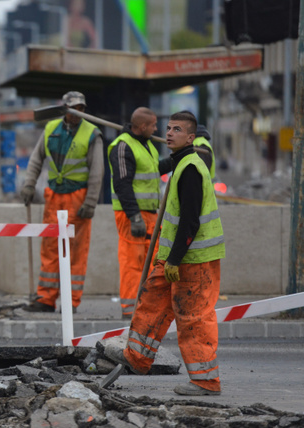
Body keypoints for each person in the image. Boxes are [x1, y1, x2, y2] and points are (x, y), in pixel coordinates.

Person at [113, 110, 225, 396]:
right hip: (175, 256)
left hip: (193, 259)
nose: (169, 133)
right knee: (152, 299)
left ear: (191, 137)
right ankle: (136, 358)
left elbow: (190, 220)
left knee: (193, 318)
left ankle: (205, 381)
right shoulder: (180, 162)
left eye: (177, 129)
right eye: (168, 128)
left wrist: (174, 259)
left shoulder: (190, 168)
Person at [20, 91, 104, 312]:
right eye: (74, 108)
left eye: (82, 108)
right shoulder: (50, 129)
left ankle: (70, 301)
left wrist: (90, 202)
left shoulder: (92, 134)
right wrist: (29, 184)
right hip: (54, 197)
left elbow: (97, 172)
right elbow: (36, 159)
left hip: (78, 198)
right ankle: (45, 299)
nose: (78, 112)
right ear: (64, 109)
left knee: (76, 251)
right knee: (49, 248)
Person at [108, 107, 171, 319]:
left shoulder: (146, 145)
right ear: (143, 126)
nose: (155, 129)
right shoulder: (123, 146)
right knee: (133, 262)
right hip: (132, 215)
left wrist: (175, 159)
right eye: (153, 125)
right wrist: (134, 216)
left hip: (150, 215)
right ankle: (130, 308)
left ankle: (146, 306)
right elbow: (122, 185)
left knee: (152, 261)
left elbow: (153, 170)